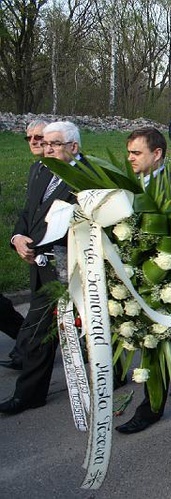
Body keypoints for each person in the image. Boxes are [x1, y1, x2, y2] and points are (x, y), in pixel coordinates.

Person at [0, 121, 82, 415]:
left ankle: (27, 395)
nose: (46, 149)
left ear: (73, 146)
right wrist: (17, 237)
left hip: (70, 268)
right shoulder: (40, 170)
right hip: (39, 265)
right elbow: (28, 211)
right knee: (43, 332)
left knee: (40, 332)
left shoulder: (87, 177)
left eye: (54, 144)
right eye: (44, 144)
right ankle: (32, 394)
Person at [115, 127, 171, 434]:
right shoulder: (128, 186)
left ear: (157, 154)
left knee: (155, 344)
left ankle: (151, 408)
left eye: (136, 153)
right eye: (128, 153)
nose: (130, 159)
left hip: (163, 281)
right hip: (135, 278)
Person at [0, 120, 47, 370]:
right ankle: (25, 349)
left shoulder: (68, 170)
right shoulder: (35, 169)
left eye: (39, 137)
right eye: (29, 138)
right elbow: (28, 211)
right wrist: (17, 237)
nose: (34, 142)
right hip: (34, 252)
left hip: (55, 254)